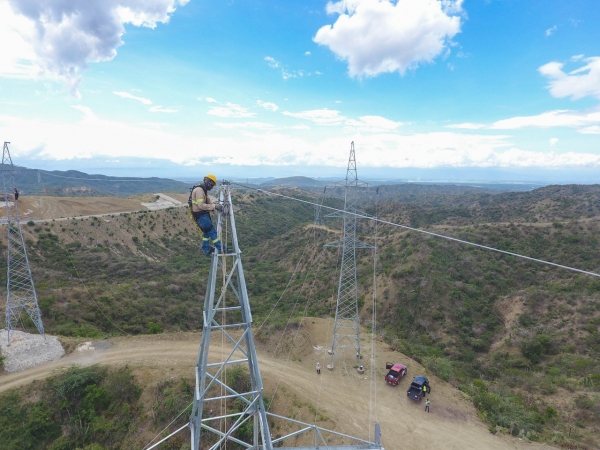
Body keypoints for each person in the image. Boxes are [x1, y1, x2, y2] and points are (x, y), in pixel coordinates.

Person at [191, 174, 226, 255]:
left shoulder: (203, 190)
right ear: (208, 181)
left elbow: (208, 201)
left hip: (201, 216)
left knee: (206, 233)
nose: (212, 187)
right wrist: (215, 206)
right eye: (212, 184)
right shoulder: (200, 191)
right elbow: (201, 205)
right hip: (201, 216)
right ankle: (222, 249)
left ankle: (206, 249)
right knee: (212, 232)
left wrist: (216, 206)